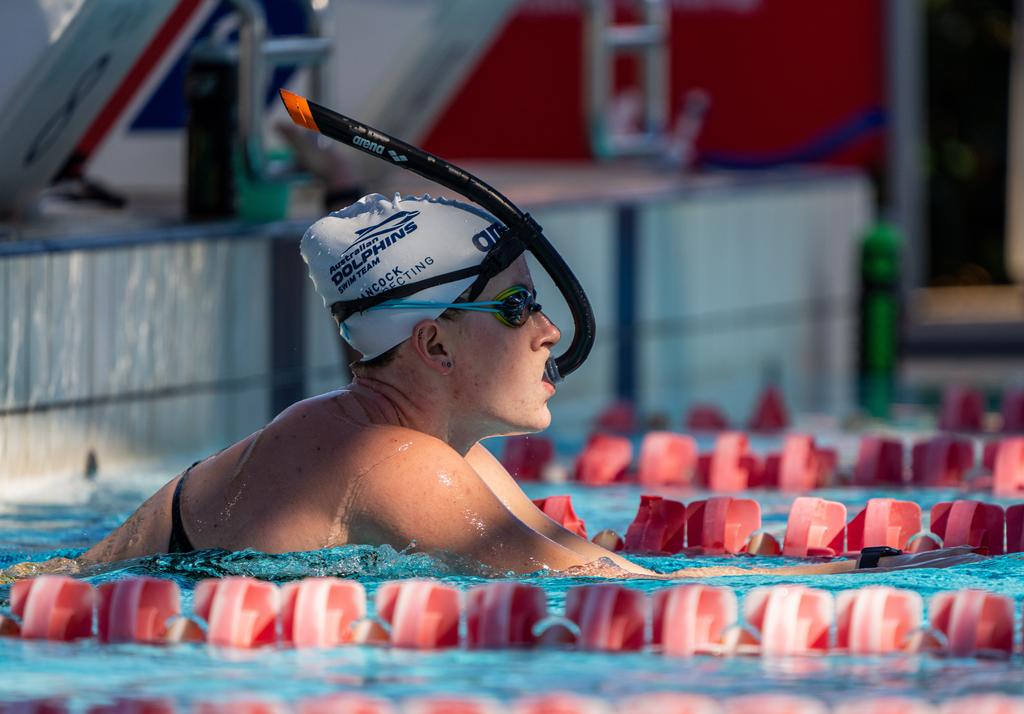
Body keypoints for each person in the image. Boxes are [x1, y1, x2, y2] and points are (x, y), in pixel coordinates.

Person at [2, 194, 980, 582]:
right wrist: (893, 578)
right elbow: (607, 601)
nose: (551, 329)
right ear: (430, 343)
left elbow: (604, 567)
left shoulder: (419, 453)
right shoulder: (387, 462)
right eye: (517, 311)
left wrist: (863, 567)